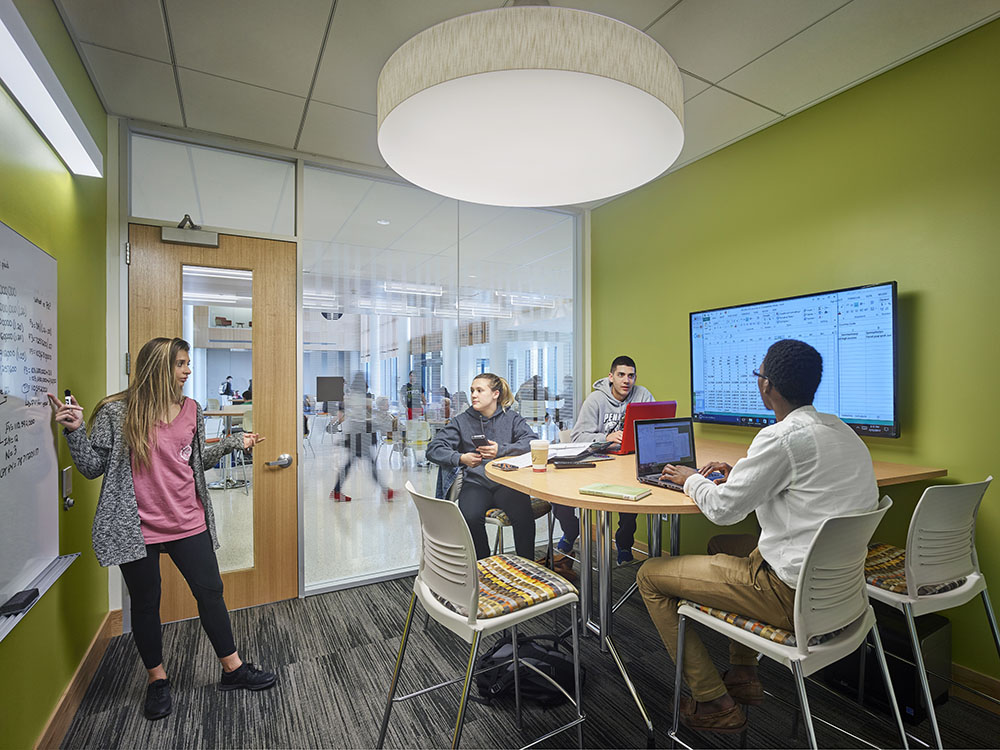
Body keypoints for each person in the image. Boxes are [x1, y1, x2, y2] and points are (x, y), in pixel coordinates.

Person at [636, 339, 878, 734]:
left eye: (758, 376)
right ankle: (744, 674)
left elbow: (722, 511)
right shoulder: (843, 431)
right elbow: (799, 488)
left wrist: (690, 479)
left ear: (767, 386)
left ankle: (712, 700)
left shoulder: (780, 437)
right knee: (720, 547)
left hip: (788, 596)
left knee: (649, 574)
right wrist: (742, 476)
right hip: (840, 592)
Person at [48, 337, 276, 722]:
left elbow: (195, 461)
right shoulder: (116, 412)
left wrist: (235, 442)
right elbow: (90, 468)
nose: (187, 370)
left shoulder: (192, 410)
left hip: (188, 520)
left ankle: (233, 668)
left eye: (187, 363)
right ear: (158, 367)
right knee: (146, 603)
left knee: (211, 592)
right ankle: (158, 680)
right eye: (180, 363)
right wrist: (73, 432)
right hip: (137, 527)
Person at [427, 373, 537, 559]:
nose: (473, 395)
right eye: (472, 391)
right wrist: (461, 458)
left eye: (479, 390)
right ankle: (483, 565)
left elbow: (532, 442)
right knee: (469, 517)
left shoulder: (511, 418)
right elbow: (433, 449)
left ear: (495, 394)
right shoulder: (461, 421)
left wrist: (501, 450)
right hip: (476, 484)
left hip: (507, 483)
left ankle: (529, 566)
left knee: (524, 517)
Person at [559, 355, 655, 565]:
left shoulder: (643, 395)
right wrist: (606, 437)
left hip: (627, 462)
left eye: (631, 376)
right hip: (597, 461)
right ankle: (570, 529)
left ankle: (623, 543)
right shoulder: (596, 400)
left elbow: (654, 428)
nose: (626, 380)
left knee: (632, 498)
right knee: (559, 494)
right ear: (611, 377)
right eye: (621, 375)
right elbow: (577, 437)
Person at [329, 372, 392, 502]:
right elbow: (368, 418)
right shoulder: (366, 399)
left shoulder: (348, 397)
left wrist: (333, 426)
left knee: (352, 463)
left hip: (353, 434)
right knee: (369, 463)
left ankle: (336, 491)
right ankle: (386, 491)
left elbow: (341, 416)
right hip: (361, 435)